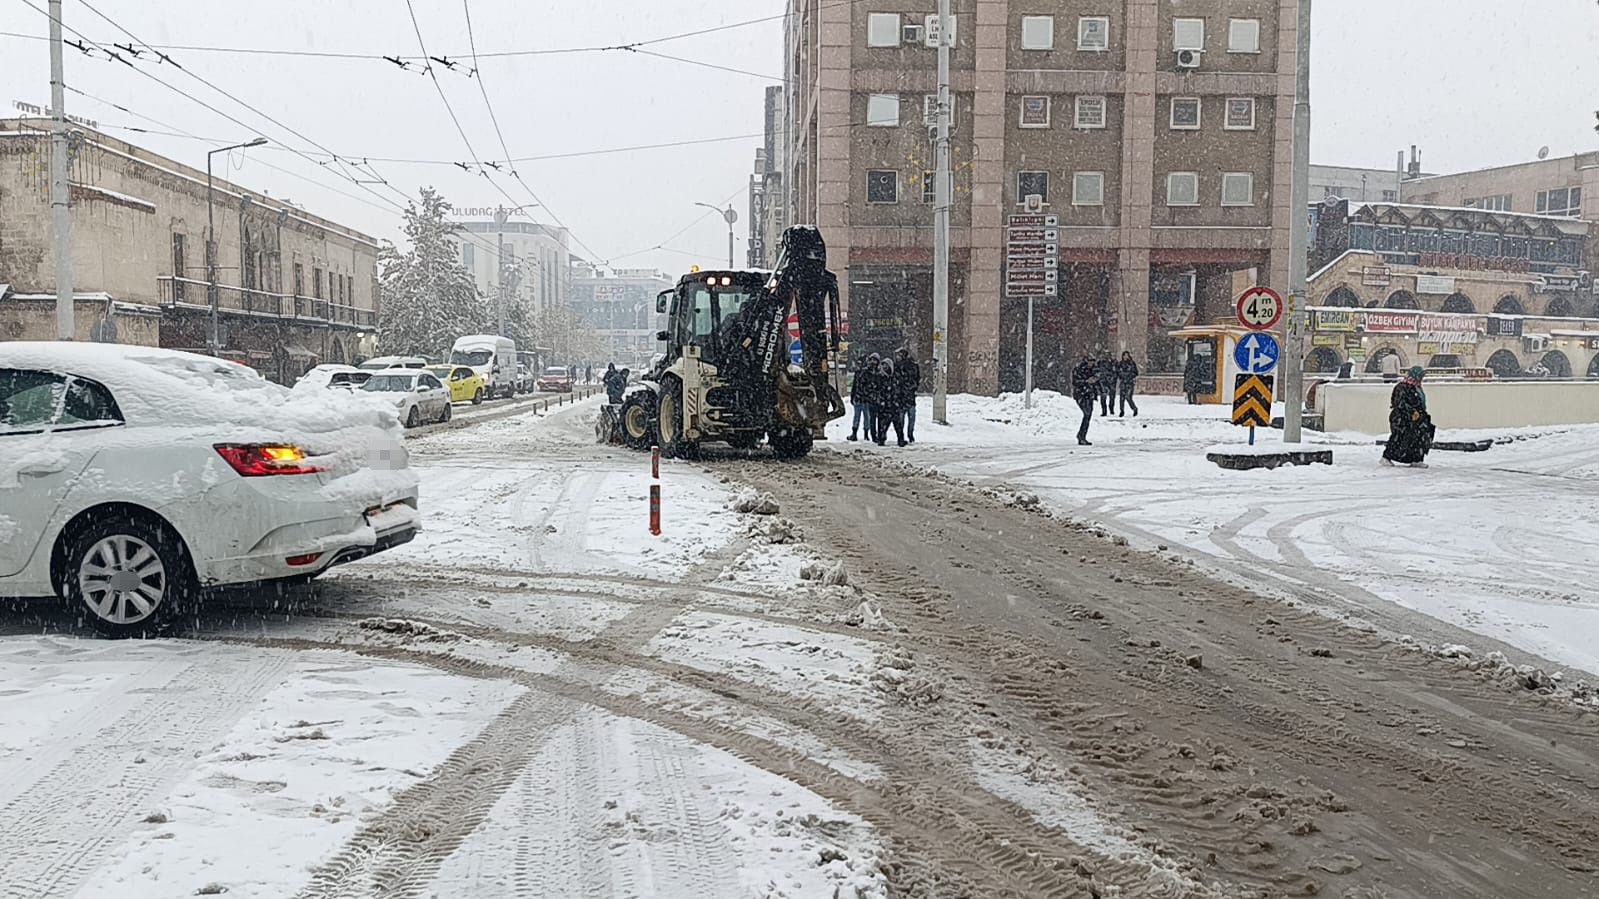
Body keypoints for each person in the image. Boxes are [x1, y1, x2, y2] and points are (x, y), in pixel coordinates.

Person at [1382, 366, 1434, 468]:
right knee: (1399, 437)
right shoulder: (1402, 387)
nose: (1421, 378)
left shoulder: (1416, 387)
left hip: (1417, 418)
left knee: (1418, 438)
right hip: (1402, 418)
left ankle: (1416, 459)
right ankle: (1386, 457)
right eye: (1420, 376)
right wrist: (1412, 411)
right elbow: (1399, 403)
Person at [872, 358, 907, 446]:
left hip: (894, 404)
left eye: (886, 365)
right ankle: (881, 439)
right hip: (884, 405)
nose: (884, 367)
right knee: (883, 424)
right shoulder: (880, 377)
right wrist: (879, 400)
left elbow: (899, 389)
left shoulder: (895, 377)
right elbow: (876, 389)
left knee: (897, 424)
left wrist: (899, 400)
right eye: (883, 365)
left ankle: (900, 440)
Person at [1071, 352, 1100, 446]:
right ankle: (1081, 435)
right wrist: (1086, 382)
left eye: (1093, 362)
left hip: (1089, 394)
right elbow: (1075, 382)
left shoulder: (1094, 370)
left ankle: (1082, 435)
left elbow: (1098, 380)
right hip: (1081, 394)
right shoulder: (1079, 370)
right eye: (1090, 362)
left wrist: (1097, 383)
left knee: (1088, 415)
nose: (1091, 364)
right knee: (1087, 414)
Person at [848, 354, 879, 441]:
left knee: (862, 416)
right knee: (862, 416)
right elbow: (856, 385)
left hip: (863, 398)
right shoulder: (867, 372)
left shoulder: (865, 372)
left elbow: (857, 385)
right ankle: (861, 433)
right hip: (863, 398)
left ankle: (859, 433)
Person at [893, 348, 920, 444]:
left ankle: (906, 434)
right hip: (905, 396)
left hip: (904, 396)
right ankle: (907, 434)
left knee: (905, 417)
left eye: (899, 356)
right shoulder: (908, 366)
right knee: (908, 417)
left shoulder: (903, 367)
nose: (897, 357)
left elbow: (916, 379)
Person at [1115, 351, 1140, 417]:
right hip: (1123, 382)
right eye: (1124, 355)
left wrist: (1129, 376)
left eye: (1127, 355)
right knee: (1122, 398)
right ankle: (1122, 411)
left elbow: (1136, 372)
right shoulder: (1120, 364)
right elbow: (1117, 372)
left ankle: (1134, 408)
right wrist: (1121, 376)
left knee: (1128, 397)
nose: (1125, 357)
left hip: (1130, 383)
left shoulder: (1132, 363)